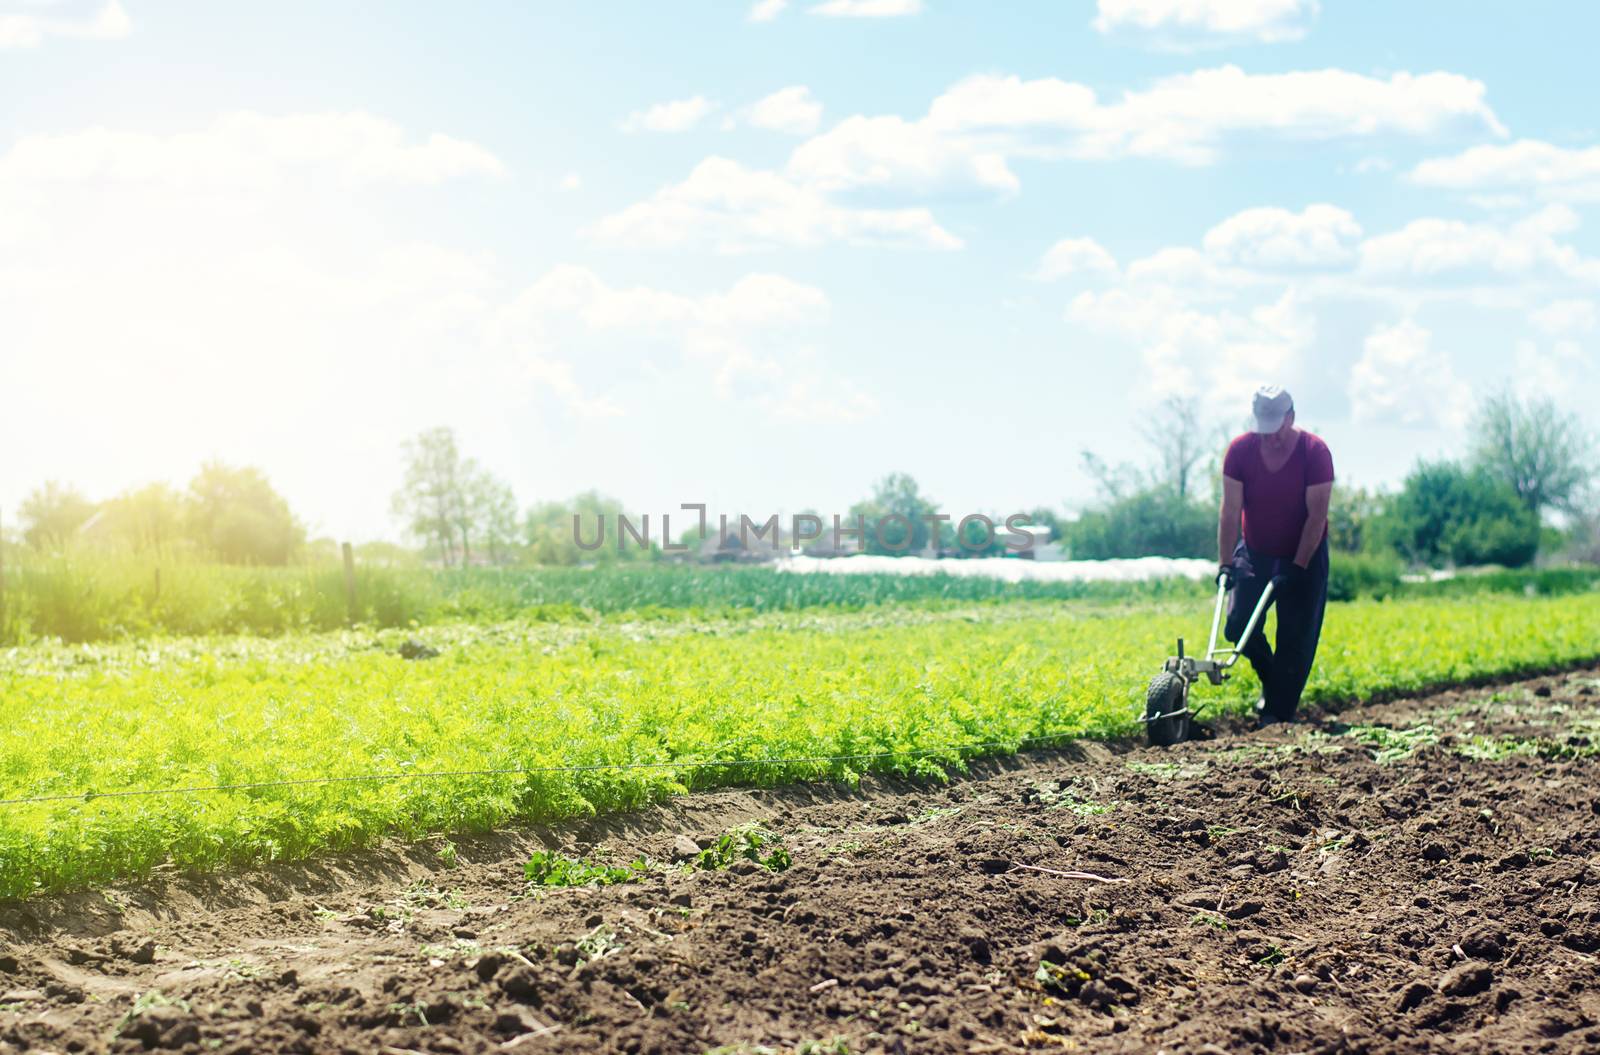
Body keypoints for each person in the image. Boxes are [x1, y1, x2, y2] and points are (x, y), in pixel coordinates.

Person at [1217, 385, 1334, 727]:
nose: (1270, 437)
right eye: (1263, 428)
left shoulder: (1315, 452)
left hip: (1304, 554)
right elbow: (1230, 511)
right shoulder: (1240, 451)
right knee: (1238, 624)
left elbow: (1317, 516)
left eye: (1276, 428)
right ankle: (1272, 681)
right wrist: (1225, 563)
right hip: (1255, 550)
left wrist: (1296, 567)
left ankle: (1277, 716)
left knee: (1294, 641)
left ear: (1291, 418)